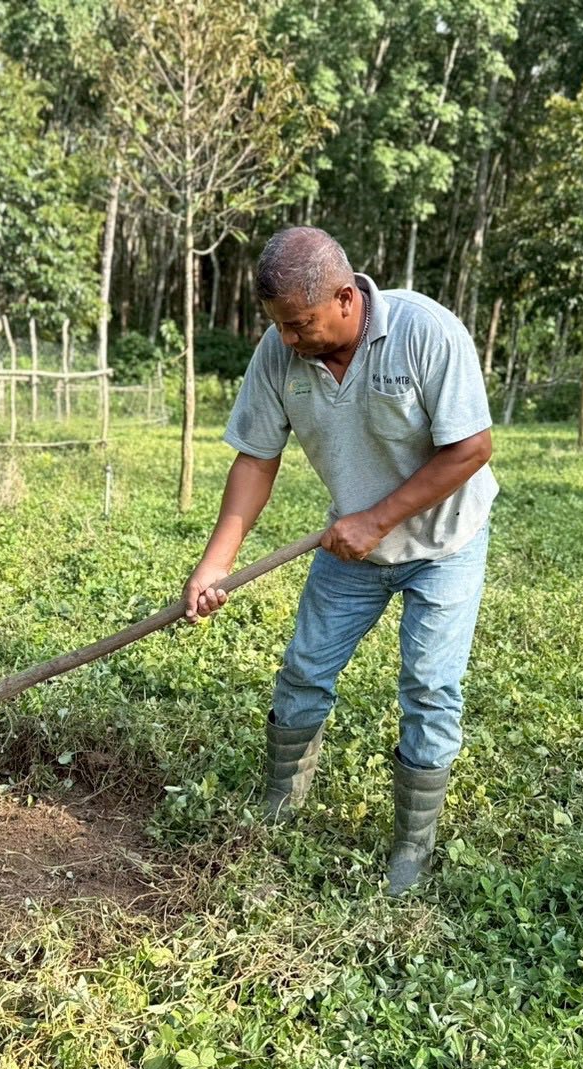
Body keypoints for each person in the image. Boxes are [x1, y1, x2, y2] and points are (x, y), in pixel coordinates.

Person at [182, 226, 497, 895]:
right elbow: (256, 459)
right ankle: (279, 806)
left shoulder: (425, 333)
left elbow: (471, 448)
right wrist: (214, 564)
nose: (288, 341)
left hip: (444, 543)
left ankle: (411, 848)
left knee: (429, 688)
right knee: (303, 669)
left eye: (300, 324)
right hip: (350, 548)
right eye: (280, 327)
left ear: (346, 298)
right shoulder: (279, 353)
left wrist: (378, 519)